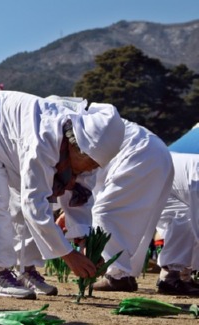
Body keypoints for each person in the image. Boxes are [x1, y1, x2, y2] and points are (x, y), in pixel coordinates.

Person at [0, 91, 125, 299]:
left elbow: (80, 198)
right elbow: (34, 205)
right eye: (89, 162)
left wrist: (84, 242)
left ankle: (26, 269)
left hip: (9, 137)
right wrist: (69, 256)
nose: (91, 169)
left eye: (96, 165)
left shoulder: (87, 159)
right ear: (76, 146)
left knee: (25, 202)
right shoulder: (44, 140)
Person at [60, 118, 174, 292]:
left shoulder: (71, 136)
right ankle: (123, 275)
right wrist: (70, 216)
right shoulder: (79, 125)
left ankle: (116, 274)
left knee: (105, 213)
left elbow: (84, 187)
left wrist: (79, 230)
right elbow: (86, 189)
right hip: (157, 149)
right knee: (141, 221)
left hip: (139, 152)